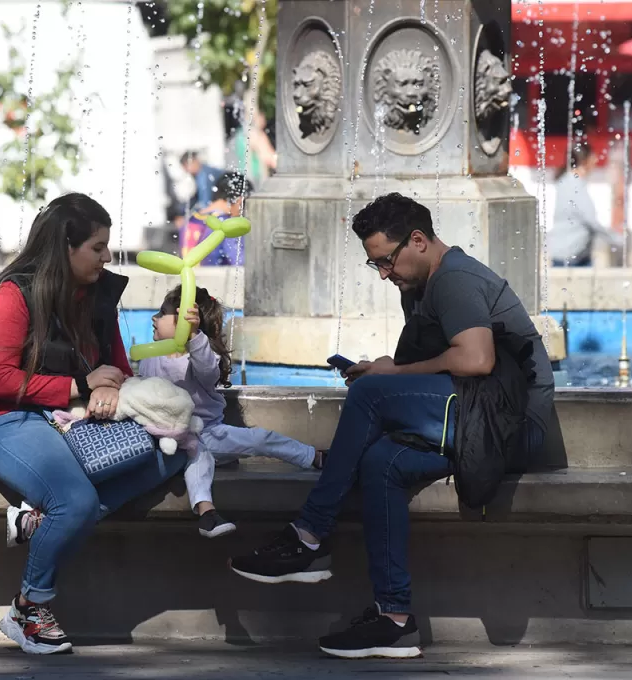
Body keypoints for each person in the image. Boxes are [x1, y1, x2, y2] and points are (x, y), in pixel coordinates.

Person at [229, 193, 556, 660]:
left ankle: (308, 536)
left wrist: (390, 376)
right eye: (374, 264)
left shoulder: (455, 279)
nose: (383, 274)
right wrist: (386, 368)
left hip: (510, 426)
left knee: (369, 394)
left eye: (386, 260)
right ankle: (394, 619)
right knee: (381, 462)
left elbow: (476, 360)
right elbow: (425, 370)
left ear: (418, 240)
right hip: (475, 419)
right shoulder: (417, 286)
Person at [0, 193, 187, 655]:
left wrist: (112, 388)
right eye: (97, 247)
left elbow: (118, 366)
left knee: (175, 455)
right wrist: (79, 385)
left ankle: (38, 521)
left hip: (76, 419)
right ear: (65, 248)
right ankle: (28, 609)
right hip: (10, 421)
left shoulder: (99, 293)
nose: (107, 257)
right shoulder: (11, 294)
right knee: (75, 500)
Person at [138, 286, 322, 538]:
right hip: (166, 438)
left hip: (208, 432)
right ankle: (207, 514)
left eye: (162, 313)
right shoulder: (151, 356)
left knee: (258, 439)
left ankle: (312, 456)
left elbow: (208, 372)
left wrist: (195, 337)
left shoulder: (201, 355)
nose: (154, 317)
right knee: (198, 454)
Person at [547, 141, 620, 267]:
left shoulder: (566, 181)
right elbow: (591, 220)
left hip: (566, 252)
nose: (596, 161)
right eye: (593, 158)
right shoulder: (574, 184)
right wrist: (616, 239)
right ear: (584, 161)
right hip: (572, 256)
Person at [179, 172, 250, 266]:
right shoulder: (224, 224)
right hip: (216, 275)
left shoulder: (190, 220)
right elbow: (240, 262)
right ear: (240, 200)